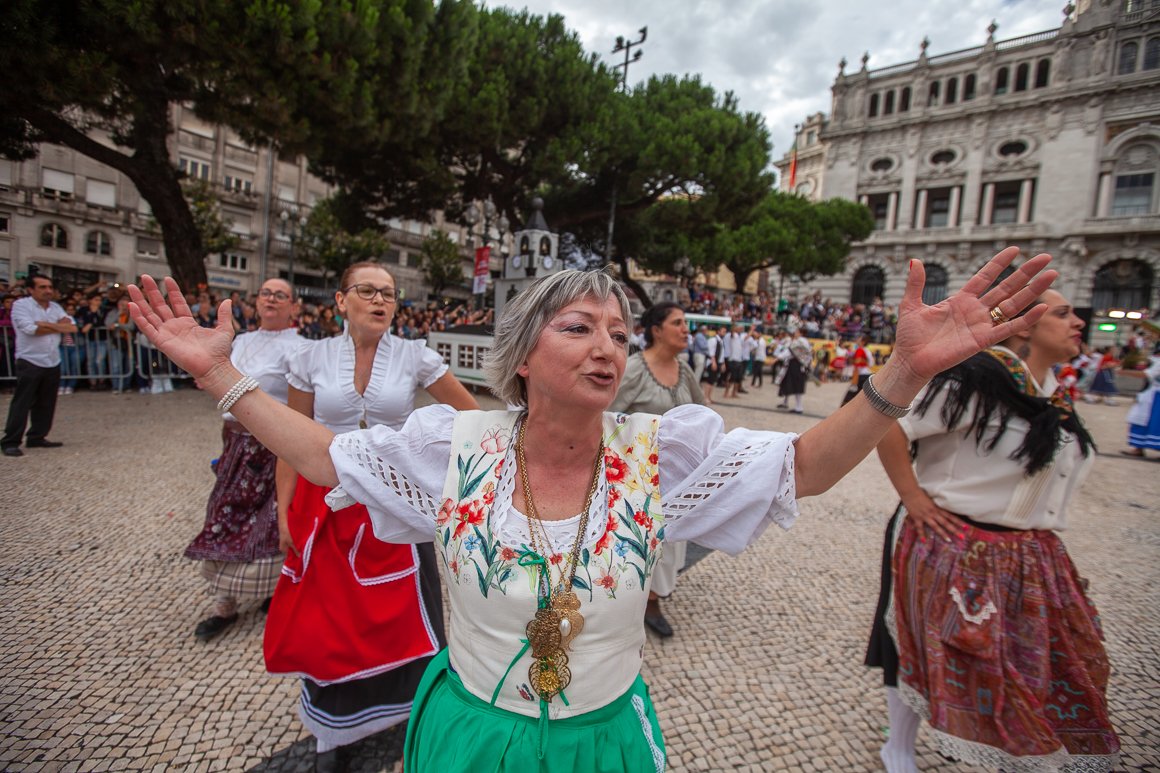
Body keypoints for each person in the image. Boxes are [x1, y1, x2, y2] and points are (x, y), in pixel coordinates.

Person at [127, 246, 1056, 772]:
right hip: (469, 732)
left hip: (605, 737)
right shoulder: (453, 447)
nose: (608, 344)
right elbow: (327, 456)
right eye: (579, 327)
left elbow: (805, 465)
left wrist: (899, 375)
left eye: (619, 330)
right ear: (523, 355)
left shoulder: (663, 452)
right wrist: (218, 373)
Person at [867, 289, 1120, 772]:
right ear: (1023, 325)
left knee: (1025, 661)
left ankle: (1019, 752)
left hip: (1026, 552)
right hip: (949, 539)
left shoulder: (1051, 393)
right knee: (923, 645)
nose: (1079, 323)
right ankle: (897, 746)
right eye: (1063, 314)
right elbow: (892, 423)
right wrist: (913, 496)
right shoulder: (975, 380)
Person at [266, 263, 478, 768]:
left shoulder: (414, 356)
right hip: (325, 506)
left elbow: (473, 418)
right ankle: (333, 736)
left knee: (408, 612)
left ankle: (417, 714)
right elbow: (290, 438)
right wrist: (282, 510)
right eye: (367, 291)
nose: (380, 301)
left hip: (394, 502)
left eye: (389, 293)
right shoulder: (310, 357)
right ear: (341, 301)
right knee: (328, 620)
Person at [182, 279, 305, 642]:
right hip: (236, 439)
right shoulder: (243, 341)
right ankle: (225, 602)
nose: (271, 299)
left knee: (272, 517)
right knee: (226, 514)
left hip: (274, 441)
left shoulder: (302, 348)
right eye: (265, 293)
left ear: (293, 306)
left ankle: (270, 591)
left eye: (280, 294)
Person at [609, 301, 705, 638]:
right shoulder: (634, 369)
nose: (685, 329)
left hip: (675, 478)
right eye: (678, 323)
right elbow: (606, 416)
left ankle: (653, 596)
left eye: (685, 323)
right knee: (637, 540)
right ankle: (638, 601)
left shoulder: (685, 370)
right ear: (656, 330)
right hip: (635, 475)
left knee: (670, 542)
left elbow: (701, 412)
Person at [2, 276, 76, 456]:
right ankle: (11, 440)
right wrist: (58, 326)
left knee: (46, 402)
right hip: (29, 360)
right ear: (31, 289)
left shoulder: (55, 307)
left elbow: (72, 328)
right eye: (42, 287)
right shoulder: (22, 306)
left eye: (50, 287)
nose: (48, 290)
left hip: (52, 360)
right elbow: (30, 329)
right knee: (23, 401)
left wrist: (45, 324)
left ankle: (37, 436)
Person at [1122, 342, 1160, 459]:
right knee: (1141, 418)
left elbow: (1146, 374)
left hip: (1156, 395)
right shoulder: (1155, 361)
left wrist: (1124, 372)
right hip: (1152, 392)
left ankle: (1138, 448)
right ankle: (1138, 447)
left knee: (1149, 419)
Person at [775, 331, 811, 414]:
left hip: (796, 366)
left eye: (797, 332)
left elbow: (789, 353)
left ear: (800, 333)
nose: (795, 333)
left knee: (795, 386)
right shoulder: (803, 342)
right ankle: (791, 404)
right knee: (793, 386)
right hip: (798, 366)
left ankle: (799, 407)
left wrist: (778, 357)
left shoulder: (798, 342)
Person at [841, 333, 875, 405]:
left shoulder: (860, 350)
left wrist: (850, 358)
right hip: (866, 375)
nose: (857, 339)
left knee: (849, 396)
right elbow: (871, 363)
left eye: (859, 338)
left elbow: (856, 362)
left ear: (863, 342)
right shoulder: (866, 350)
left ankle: (841, 413)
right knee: (861, 398)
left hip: (861, 376)